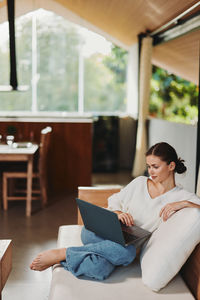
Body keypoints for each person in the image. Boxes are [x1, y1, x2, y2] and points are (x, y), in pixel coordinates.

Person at [30, 142, 200, 280]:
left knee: (102, 267)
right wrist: (118, 214)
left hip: (125, 246)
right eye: (148, 166)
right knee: (120, 250)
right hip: (99, 232)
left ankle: (65, 254)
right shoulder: (140, 182)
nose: (151, 172)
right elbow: (114, 201)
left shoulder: (181, 196)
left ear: (171, 166)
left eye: (155, 167)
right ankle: (62, 253)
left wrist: (184, 203)